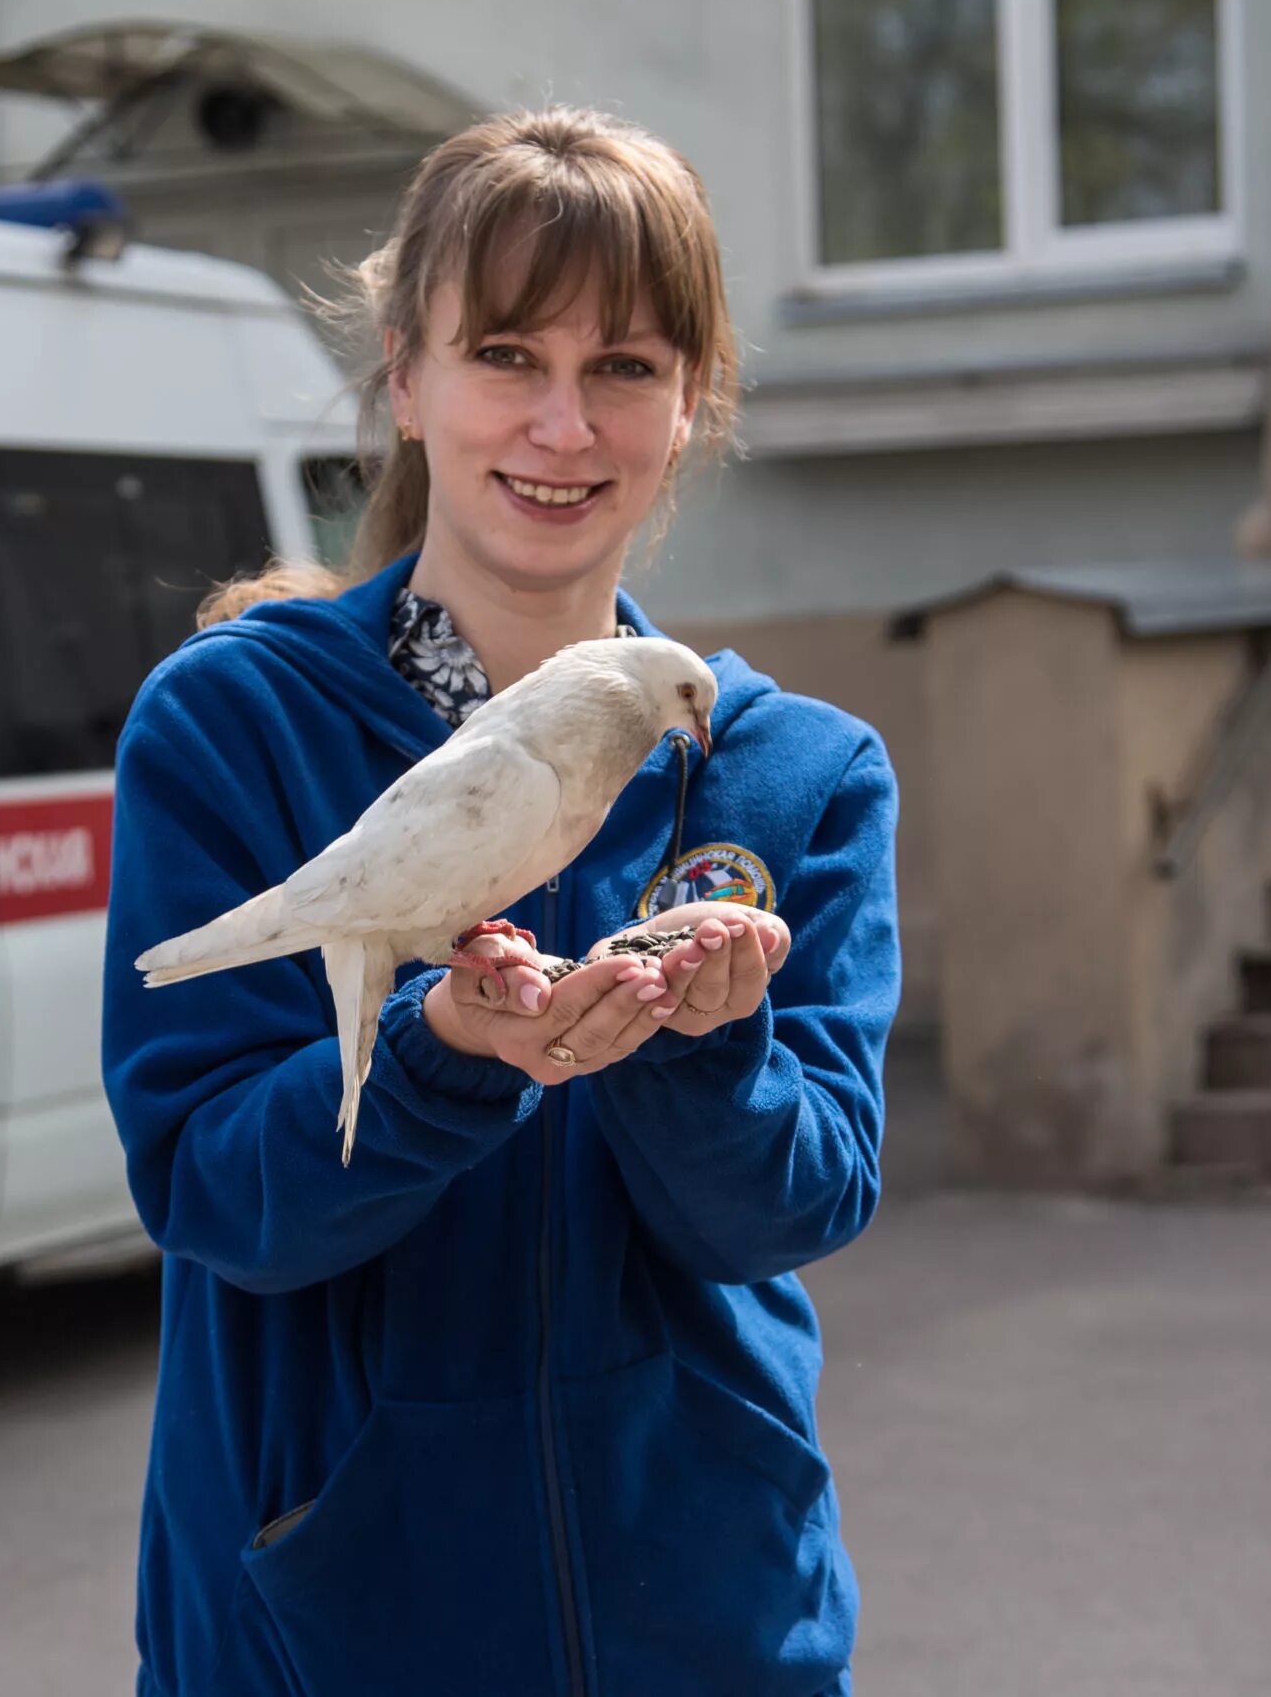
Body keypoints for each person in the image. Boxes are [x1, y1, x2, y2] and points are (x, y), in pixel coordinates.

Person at [99, 106, 901, 1697]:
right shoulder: (234, 729)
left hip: (708, 1630)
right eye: (507, 356)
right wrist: (441, 1053)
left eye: (626, 368)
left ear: (693, 407)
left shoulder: (791, 773)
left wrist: (699, 1044)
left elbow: (792, 1206)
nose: (562, 424)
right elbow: (213, 1192)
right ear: (405, 379)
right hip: (328, 1634)